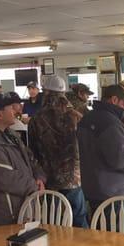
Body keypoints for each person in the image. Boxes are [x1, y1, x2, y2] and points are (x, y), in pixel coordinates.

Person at [0, 93, 45, 227]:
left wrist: (39, 177)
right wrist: (34, 186)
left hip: (23, 210)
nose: (15, 110)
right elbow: (4, 178)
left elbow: (31, 158)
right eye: (11, 107)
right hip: (4, 216)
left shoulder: (11, 134)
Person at [77, 85, 124, 214]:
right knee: (116, 234)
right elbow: (121, 159)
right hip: (113, 193)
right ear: (114, 100)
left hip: (92, 187)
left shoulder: (86, 119)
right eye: (123, 104)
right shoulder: (112, 124)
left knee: (98, 231)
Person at [28, 75, 88, 228]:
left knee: (55, 223)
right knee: (79, 219)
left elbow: (32, 152)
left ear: (46, 92)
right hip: (73, 178)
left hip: (50, 181)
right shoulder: (76, 116)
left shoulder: (36, 119)